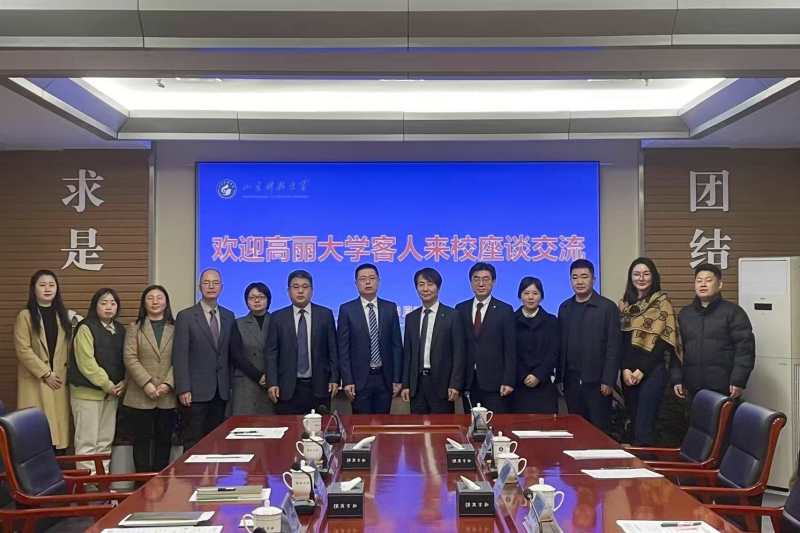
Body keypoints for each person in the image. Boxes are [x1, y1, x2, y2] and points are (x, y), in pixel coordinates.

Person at [619, 258, 682, 446]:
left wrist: (642, 370)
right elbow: (620, 342)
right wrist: (624, 369)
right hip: (628, 374)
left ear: (653, 277)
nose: (641, 278)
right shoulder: (624, 305)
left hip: (652, 372)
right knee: (632, 425)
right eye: (636, 274)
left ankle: (646, 465)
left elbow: (664, 343)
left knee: (644, 430)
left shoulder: (662, 303)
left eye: (646, 274)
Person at [672, 263, 755, 402]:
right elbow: (677, 349)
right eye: (699, 280)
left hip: (725, 385)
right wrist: (677, 379)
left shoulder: (733, 312)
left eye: (708, 280)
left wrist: (738, 380)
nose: (703, 284)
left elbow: (745, 350)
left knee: (724, 417)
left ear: (720, 284)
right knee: (695, 416)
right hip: (692, 385)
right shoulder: (685, 314)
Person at [556, 259, 622, 434]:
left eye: (584, 276)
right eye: (575, 277)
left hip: (598, 383)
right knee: (576, 430)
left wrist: (608, 380)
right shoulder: (565, 308)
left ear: (594, 279)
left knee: (599, 431)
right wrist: (560, 378)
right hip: (571, 382)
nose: (579, 281)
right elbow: (561, 345)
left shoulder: (607, 308)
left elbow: (614, 346)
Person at [173, 269, 236, 451]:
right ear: (200, 287)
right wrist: (183, 388)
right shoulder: (186, 316)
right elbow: (180, 354)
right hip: (195, 392)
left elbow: (230, 354)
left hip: (221, 391)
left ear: (221, 288)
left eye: (215, 283)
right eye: (206, 283)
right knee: (194, 442)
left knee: (218, 441)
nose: (211, 286)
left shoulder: (229, 316)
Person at [68, 288, 126, 475]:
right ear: (95, 305)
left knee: (104, 442)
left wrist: (124, 382)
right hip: (87, 394)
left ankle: (101, 481)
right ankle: (87, 484)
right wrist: (107, 384)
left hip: (112, 395)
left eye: (113, 303)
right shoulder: (86, 327)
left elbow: (126, 359)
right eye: (104, 303)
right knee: (87, 442)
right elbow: (87, 363)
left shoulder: (120, 329)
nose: (109, 307)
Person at [13, 270, 72, 452]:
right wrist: (46, 373)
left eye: (51, 285)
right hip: (36, 380)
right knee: (37, 434)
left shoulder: (62, 315)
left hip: (59, 380)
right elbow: (23, 349)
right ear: (34, 289)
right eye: (42, 285)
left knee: (58, 434)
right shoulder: (25, 315)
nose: (47, 289)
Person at [266, 270, 340, 415]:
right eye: (296, 287)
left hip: (320, 385)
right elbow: (271, 352)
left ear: (312, 291)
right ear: (288, 291)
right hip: (287, 387)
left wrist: (335, 378)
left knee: (320, 427)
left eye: (305, 287)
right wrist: (272, 383)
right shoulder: (278, 317)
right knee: (289, 427)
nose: (300, 291)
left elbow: (333, 349)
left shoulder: (325, 315)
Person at [123, 285, 177, 473]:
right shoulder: (134, 327)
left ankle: (161, 481)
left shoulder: (175, 328)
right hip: (140, 393)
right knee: (141, 441)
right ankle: (142, 482)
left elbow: (180, 359)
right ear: (144, 303)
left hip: (167, 394)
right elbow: (130, 357)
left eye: (159, 298)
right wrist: (146, 383)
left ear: (166, 303)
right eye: (150, 298)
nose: (155, 301)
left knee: (164, 440)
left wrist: (168, 384)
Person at [339, 264, 403, 414]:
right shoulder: (347, 310)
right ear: (356, 283)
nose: (367, 282)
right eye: (363, 279)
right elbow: (343, 349)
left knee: (383, 422)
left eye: (372, 278)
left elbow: (396, 345)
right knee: (361, 423)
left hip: (384, 378)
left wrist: (397, 378)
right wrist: (347, 380)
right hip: (359, 380)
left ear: (378, 281)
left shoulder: (390, 308)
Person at [401, 268, 465, 414]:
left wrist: (455, 384)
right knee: (418, 425)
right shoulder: (411, 318)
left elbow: (459, 353)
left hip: (443, 384)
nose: (425, 289)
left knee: (443, 425)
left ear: (438, 287)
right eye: (421, 284)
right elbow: (408, 355)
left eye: (430, 284)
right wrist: (406, 384)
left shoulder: (452, 316)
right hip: (417, 385)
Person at [457, 262, 517, 415]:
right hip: (469, 383)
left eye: (486, 279)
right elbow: (458, 348)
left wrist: (509, 380)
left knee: (495, 424)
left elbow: (510, 349)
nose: (481, 284)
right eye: (476, 279)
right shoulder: (461, 309)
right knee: (471, 424)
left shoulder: (505, 310)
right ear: (471, 282)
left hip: (496, 384)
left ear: (493, 282)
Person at [512, 277, 559, 415]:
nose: (530, 297)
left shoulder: (551, 321)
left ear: (541, 296)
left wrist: (538, 375)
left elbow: (554, 351)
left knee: (546, 425)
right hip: (518, 384)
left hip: (544, 384)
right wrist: (523, 374)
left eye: (535, 293)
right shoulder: (511, 321)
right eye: (526, 293)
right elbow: (509, 352)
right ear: (520, 295)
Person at [230, 282, 274, 416]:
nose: (257, 300)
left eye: (261, 297)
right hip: (246, 382)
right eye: (252, 297)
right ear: (246, 301)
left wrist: (271, 377)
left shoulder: (277, 321)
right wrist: (259, 377)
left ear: (268, 300)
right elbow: (236, 355)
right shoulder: (238, 323)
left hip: (272, 383)